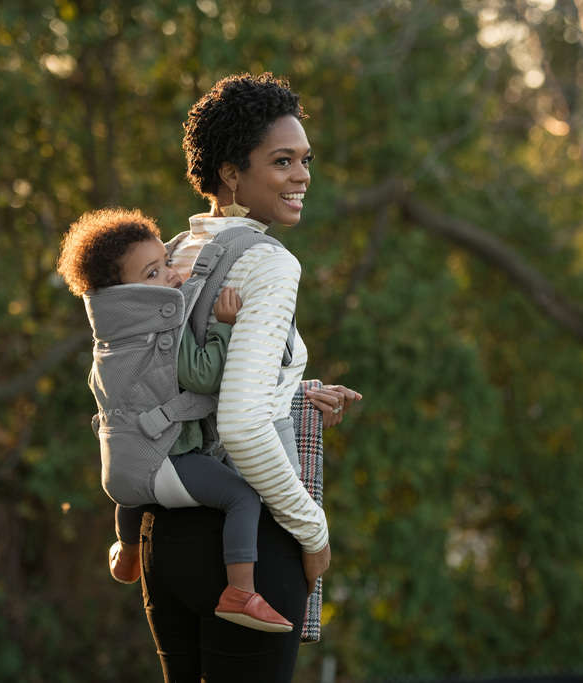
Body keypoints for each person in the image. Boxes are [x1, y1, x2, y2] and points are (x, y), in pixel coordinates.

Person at [130, 72, 361, 682]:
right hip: (246, 551)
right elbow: (241, 424)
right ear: (231, 173)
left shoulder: (170, 254)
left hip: (163, 538)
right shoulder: (268, 263)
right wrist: (313, 531)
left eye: (305, 160)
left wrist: (297, 390)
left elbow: (168, 384)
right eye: (282, 161)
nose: (302, 176)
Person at [57, 207, 294, 632]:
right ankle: (240, 591)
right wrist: (225, 328)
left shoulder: (110, 338)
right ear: (122, 293)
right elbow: (202, 375)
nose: (171, 276)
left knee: (135, 481)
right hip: (169, 460)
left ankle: (127, 553)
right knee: (243, 497)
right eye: (153, 273)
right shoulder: (160, 331)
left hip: (120, 471)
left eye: (166, 263)